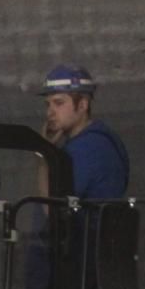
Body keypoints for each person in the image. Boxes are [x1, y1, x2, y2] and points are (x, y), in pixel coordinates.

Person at [39, 64, 129, 198]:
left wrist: (43, 157)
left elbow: (54, 210)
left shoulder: (88, 148)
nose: (49, 113)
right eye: (48, 104)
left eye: (58, 103)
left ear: (82, 105)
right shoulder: (100, 140)